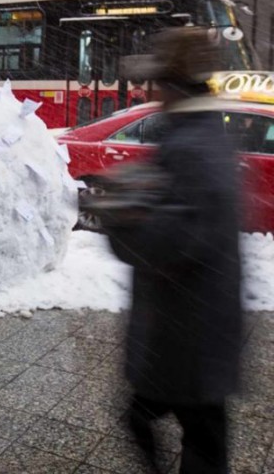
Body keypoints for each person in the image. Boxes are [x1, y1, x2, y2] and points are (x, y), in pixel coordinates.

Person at [99, 27, 243, 473]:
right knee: (199, 432)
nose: (152, 91)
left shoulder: (192, 145)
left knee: (183, 430)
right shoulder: (199, 135)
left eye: (158, 81)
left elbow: (175, 240)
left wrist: (122, 213)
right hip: (194, 328)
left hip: (185, 333)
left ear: (173, 85)